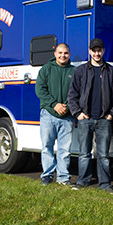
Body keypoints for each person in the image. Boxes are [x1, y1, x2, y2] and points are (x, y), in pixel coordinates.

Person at [67, 38, 113, 193]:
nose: (97, 53)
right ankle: (82, 181)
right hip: (85, 119)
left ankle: (105, 184)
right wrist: (78, 113)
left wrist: (111, 114)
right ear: (89, 52)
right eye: (94, 50)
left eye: (99, 50)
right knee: (84, 153)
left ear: (103, 51)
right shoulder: (80, 71)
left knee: (103, 155)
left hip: (104, 119)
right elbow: (72, 95)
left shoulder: (111, 71)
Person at [35, 43, 75, 186]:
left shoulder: (74, 71)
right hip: (48, 114)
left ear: (69, 54)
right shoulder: (46, 69)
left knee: (65, 149)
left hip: (67, 116)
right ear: (55, 54)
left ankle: (63, 178)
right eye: (60, 53)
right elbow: (40, 90)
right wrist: (55, 105)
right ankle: (47, 176)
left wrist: (68, 107)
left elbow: (79, 93)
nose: (62, 55)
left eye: (65, 53)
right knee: (47, 146)